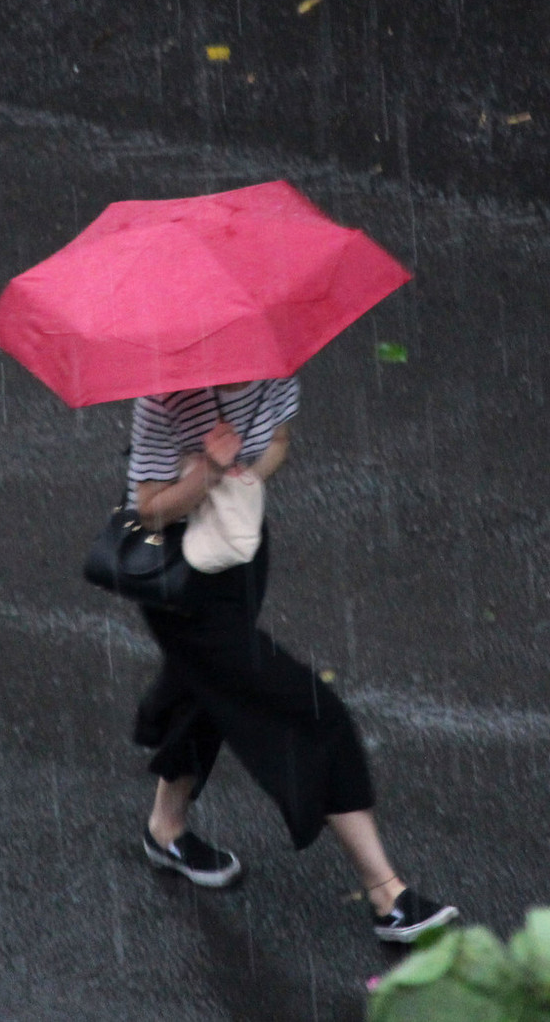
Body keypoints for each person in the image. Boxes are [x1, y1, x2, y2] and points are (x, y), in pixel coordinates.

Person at [126, 376, 459, 943]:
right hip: (179, 583)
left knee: (202, 692)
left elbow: (278, 441)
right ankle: (388, 895)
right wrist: (207, 468)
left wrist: (248, 472)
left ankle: (166, 828)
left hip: (240, 556)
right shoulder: (163, 398)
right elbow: (148, 511)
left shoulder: (271, 371)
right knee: (311, 714)